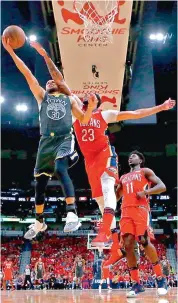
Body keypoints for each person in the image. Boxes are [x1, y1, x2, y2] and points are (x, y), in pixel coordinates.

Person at [29, 41, 175, 247]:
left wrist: (160, 107)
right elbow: (59, 80)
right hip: (90, 161)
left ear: (97, 101)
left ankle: (108, 229)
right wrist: (45, 56)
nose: (87, 95)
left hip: (105, 154)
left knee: (108, 186)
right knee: (99, 199)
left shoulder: (104, 114)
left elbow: (134, 114)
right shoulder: (76, 111)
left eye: (92, 96)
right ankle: (114, 233)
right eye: (86, 95)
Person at [2, 37, 97, 239]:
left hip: (64, 138)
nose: (49, 81)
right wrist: (11, 52)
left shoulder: (69, 99)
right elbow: (27, 73)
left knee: (61, 168)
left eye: (53, 80)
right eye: (47, 82)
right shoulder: (41, 96)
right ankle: (39, 221)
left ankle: (72, 213)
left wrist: (91, 108)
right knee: (40, 184)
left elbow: (84, 119)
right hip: (45, 141)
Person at [113, 151, 169, 297]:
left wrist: (146, 193)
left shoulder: (145, 171)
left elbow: (162, 186)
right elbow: (117, 197)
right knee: (128, 245)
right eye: (130, 156)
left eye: (135, 155)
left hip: (140, 209)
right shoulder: (123, 177)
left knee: (144, 241)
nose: (131, 157)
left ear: (140, 160)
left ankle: (161, 278)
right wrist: (113, 187)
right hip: (125, 211)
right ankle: (136, 283)